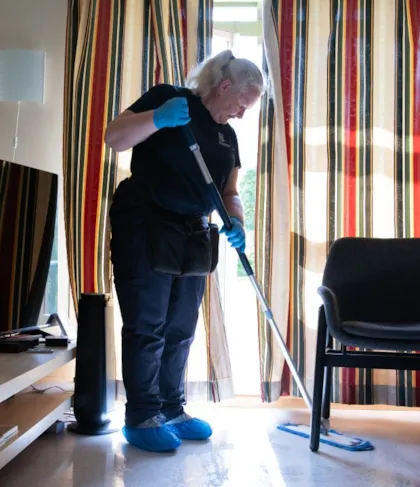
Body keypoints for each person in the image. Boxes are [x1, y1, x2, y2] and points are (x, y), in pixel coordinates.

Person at [103, 49, 265, 452]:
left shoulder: (227, 136)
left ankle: (171, 408)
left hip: (193, 233)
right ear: (225, 86)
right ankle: (141, 415)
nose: (242, 115)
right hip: (144, 222)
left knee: (181, 327)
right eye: (242, 104)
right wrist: (156, 118)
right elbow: (114, 136)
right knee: (148, 324)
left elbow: (229, 192)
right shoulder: (169, 98)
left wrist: (237, 222)